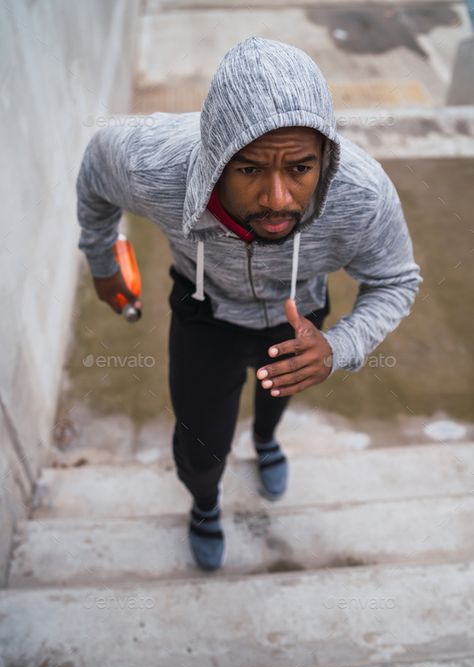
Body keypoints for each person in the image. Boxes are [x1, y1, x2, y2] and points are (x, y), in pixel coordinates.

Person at [76, 37, 422, 571]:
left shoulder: (361, 192)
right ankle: (205, 503)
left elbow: (396, 279)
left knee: (275, 398)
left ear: (324, 158)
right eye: (250, 170)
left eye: (300, 169)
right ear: (216, 159)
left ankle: (265, 441)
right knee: (201, 442)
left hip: (298, 318)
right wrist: (102, 260)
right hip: (204, 313)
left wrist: (338, 345)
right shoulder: (155, 164)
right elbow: (96, 172)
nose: (278, 198)